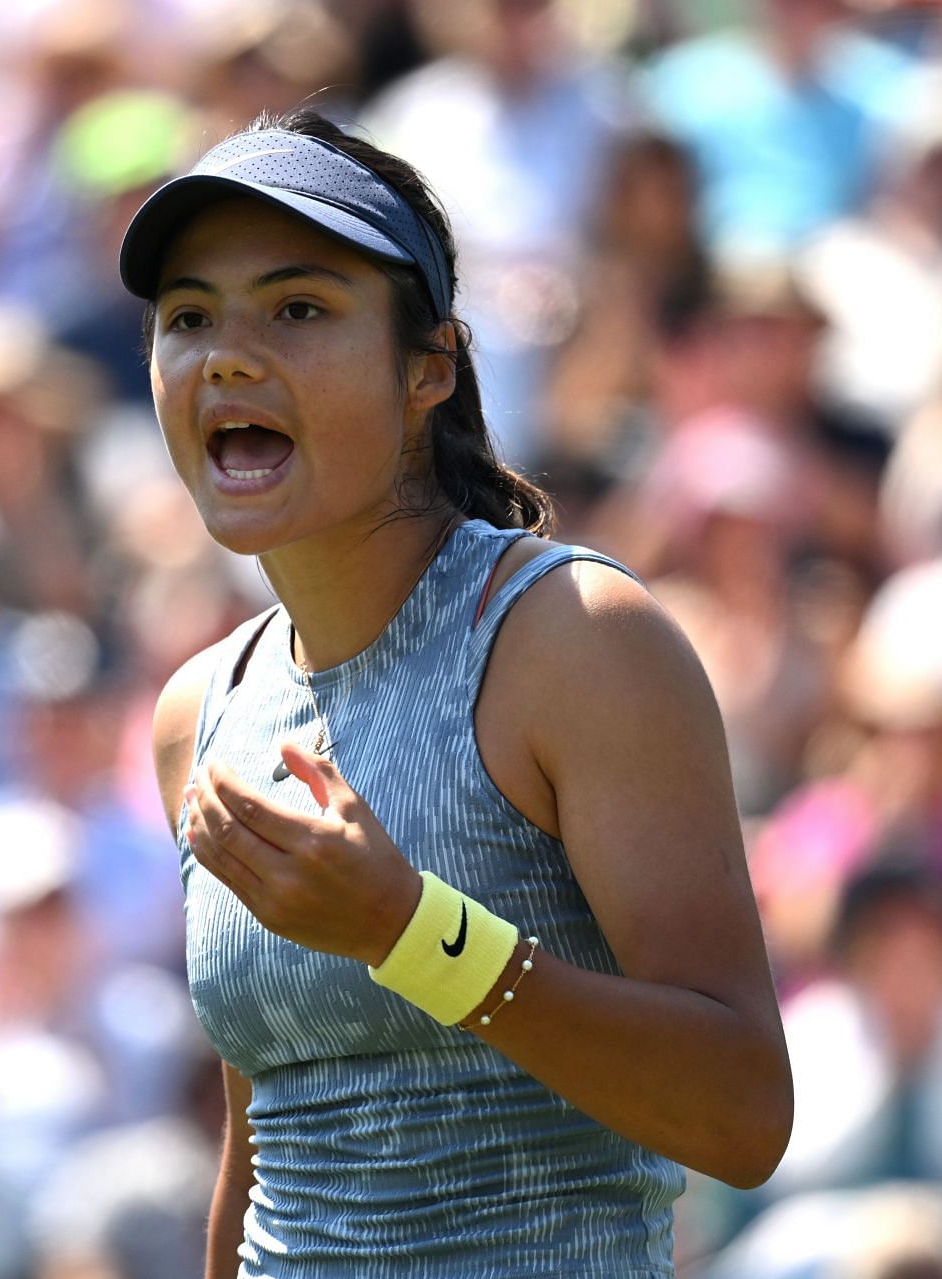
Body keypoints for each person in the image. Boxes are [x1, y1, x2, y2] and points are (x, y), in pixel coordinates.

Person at [120, 110, 793, 1276]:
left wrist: (408, 932)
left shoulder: (577, 641)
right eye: (189, 318)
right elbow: (268, 1133)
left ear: (428, 368)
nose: (226, 354)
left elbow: (741, 1114)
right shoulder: (202, 709)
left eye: (298, 308)